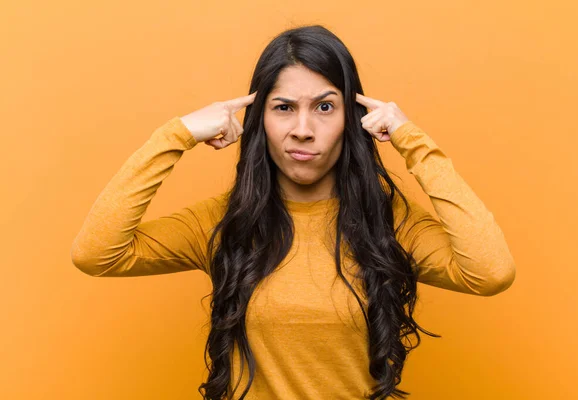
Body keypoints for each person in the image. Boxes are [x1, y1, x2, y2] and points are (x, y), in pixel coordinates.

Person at [71, 25, 516, 400]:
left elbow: (490, 272)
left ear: (353, 117)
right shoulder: (224, 223)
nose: (303, 130)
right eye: (283, 108)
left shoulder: (390, 222)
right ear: (259, 118)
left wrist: (412, 141)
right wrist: (178, 133)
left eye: (325, 107)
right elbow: (97, 253)